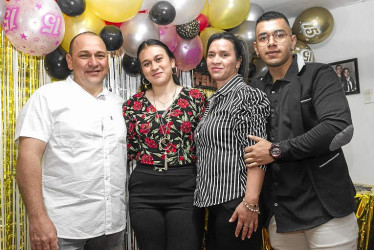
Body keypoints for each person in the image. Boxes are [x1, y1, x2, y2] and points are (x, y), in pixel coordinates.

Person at [245, 11, 358, 249]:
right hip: (280, 213)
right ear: (256, 47)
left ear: (293, 40)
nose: (272, 42)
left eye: (279, 35)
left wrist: (276, 150)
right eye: (264, 38)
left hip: (325, 207)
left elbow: (337, 128)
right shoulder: (254, 90)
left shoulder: (319, 74)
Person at [15, 32, 127, 250]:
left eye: (100, 55)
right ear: (69, 61)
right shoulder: (47, 97)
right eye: (84, 55)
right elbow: (28, 157)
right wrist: (37, 219)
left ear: (108, 60)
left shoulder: (119, 104)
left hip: (111, 227)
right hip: (62, 229)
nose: (94, 63)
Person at [123, 39, 207, 250]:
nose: (154, 67)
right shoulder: (133, 105)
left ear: (171, 62)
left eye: (159, 59)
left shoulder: (196, 98)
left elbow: (206, 145)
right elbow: (129, 149)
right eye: (147, 63)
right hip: (144, 189)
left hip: (185, 187)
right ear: (142, 70)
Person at [193, 33, 270, 250]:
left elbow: (257, 154)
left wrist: (250, 203)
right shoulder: (213, 101)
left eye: (224, 55)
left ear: (238, 62)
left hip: (236, 203)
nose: (216, 60)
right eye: (211, 55)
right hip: (215, 203)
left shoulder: (247, 96)